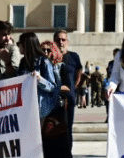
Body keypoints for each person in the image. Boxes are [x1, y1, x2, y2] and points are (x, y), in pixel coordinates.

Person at [16, 32, 61, 157]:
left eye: (19, 44)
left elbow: (52, 85)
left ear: (26, 44)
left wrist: (40, 79)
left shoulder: (43, 61)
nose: (18, 47)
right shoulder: (23, 62)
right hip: (25, 107)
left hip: (40, 110)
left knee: (38, 142)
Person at [53, 29, 81, 158]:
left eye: (63, 40)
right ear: (54, 42)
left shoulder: (74, 56)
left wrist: (72, 88)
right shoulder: (49, 57)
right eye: (58, 40)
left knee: (68, 129)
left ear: (67, 42)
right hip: (52, 101)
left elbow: (78, 74)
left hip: (68, 100)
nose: (61, 42)